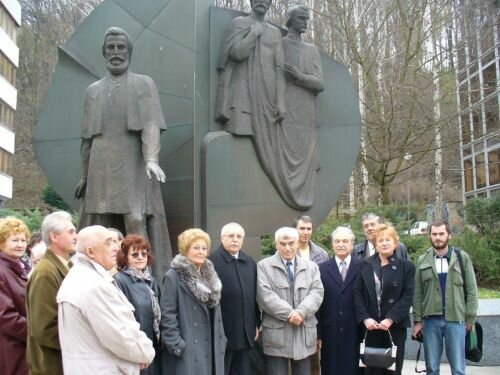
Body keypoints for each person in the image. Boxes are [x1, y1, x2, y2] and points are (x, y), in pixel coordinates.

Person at [74, 26, 171, 277]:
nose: (115, 52)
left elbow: (151, 125)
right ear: (104, 52)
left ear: (129, 51)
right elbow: (87, 138)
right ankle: (98, 274)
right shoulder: (92, 91)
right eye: (111, 48)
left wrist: (151, 159)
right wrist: (84, 176)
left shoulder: (143, 84)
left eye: (121, 47)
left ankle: (142, 274)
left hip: (132, 161)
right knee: (99, 223)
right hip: (100, 163)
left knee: (136, 219)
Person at [215, 0, 290, 205]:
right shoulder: (239, 24)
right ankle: (236, 193)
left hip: (267, 97)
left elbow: (280, 69)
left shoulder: (275, 33)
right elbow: (236, 54)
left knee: (268, 148)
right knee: (242, 139)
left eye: (266, 0)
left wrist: (281, 101)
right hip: (243, 95)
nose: (262, 3)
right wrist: (253, 34)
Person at [57, 225, 155, 374]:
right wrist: (145, 353)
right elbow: (120, 336)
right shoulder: (92, 284)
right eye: (109, 243)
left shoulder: (84, 276)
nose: (116, 248)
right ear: (90, 251)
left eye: (115, 242)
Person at [412, 221, 478, 375]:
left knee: (458, 369)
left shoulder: (462, 258)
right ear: (430, 236)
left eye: (441, 234)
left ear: (449, 235)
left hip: (456, 320)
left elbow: (472, 290)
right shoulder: (423, 260)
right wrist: (417, 321)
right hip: (430, 321)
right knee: (432, 368)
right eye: (434, 234)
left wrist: (470, 318)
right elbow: (417, 293)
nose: (438, 237)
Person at [257, 227, 324, 375]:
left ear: (297, 243)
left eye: (291, 243)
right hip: (277, 336)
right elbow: (264, 296)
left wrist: (301, 312)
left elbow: (317, 293)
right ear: (276, 244)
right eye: (283, 243)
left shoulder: (311, 267)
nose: (287, 248)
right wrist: (289, 314)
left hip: (303, 333)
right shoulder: (263, 266)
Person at [161, 228, 226, 375]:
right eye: (196, 247)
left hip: (212, 344)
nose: (201, 251)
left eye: (204, 248)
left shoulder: (210, 276)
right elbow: (167, 315)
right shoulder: (174, 276)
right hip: (189, 349)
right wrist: (177, 345)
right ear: (185, 250)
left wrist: (222, 341)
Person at [354, 223, 415, 375]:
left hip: (394, 327)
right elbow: (358, 293)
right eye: (381, 240)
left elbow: (408, 296)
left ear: (395, 242)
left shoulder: (406, 266)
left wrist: (390, 319)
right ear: (375, 244)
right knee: (371, 370)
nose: (385, 243)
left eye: (388, 240)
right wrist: (365, 318)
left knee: (392, 370)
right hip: (371, 327)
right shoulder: (365, 265)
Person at [279, 5, 324, 209]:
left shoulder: (311, 50)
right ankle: (287, 193)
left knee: (306, 153)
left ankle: (304, 197)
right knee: (286, 152)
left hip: (306, 109)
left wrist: (299, 77)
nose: (305, 22)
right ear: (290, 21)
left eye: (307, 19)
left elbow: (320, 83)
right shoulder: (280, 45)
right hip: (286, 108)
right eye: (301, 18)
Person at [26, 211, 77, 375]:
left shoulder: (65, 266)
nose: (76, 236)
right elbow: (44, 328)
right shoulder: (45, 273)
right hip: (51, 365)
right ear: (54, 236)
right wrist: (80, 344)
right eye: (70, 232)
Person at [208, 222, 260, 375]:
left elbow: (254, 296)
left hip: (245, 331)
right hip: (222, 331)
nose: (235, 239)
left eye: (239, 236)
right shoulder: (211, 262)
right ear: (222, 238)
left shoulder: (249, 262)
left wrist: (256, 323)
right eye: (231, 236)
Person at [317, 226, 362, 375]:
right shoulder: (321, 269)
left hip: (355, 330)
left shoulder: (363, 267)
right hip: (330, 331)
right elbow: (318, 304)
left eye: (345, 241)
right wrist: (319, 334)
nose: (341, 244)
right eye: (337, 241)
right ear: (332, 244)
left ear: (352, 244)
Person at [114, 234, 162, 375]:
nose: (140, 257)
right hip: (134, 349)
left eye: (144, 254)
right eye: (135, 254)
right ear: (125, 258)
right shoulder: (119, 281)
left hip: (154, 346)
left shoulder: (151, 280)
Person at [293, 215, 327, 374]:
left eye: (308, 228)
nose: (305, 232)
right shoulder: (288, 250)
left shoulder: (321, 254)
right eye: (302, 228)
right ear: (295, 230)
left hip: (314, 311)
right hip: (293, 311)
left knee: (313, 359)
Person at [0, 217, 30, 375]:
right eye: (14, 240)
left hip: (21, 346)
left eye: (23, 240)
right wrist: (35, 331)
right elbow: (5, 316)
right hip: (11, 348)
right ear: (2, 242)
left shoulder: (19, 267)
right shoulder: (2, 271)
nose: (20, 244)